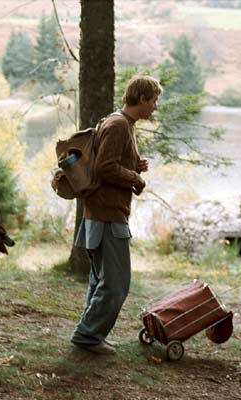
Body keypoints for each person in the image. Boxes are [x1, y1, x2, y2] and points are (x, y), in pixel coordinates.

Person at [71, 75, 163, 355]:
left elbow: (111, 161)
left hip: (102, 213)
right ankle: (88, 336)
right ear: (142, 98)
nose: (155, 107)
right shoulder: (119, 124)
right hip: (107, 215)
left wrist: (134, 163)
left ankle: (88, 333)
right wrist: (136, 178)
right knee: (116, 283)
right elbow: (104, 167)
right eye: (154, 101)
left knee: (102, 280)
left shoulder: (121, 123)